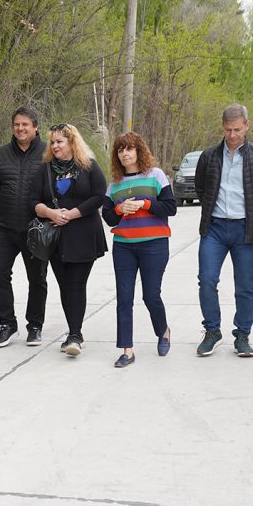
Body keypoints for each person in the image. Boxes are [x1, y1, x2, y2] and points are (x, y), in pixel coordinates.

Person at [194, 105, 253, 358]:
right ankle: (212, 331)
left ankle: (242, 335)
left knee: (245, 286)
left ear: (247, 126)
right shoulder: (209, 156)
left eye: (238, 129)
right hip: (214, 228)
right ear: (222, 127)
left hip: (245, 229)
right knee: (206, 280)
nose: (233, 135)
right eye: (228, 130)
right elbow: (201, 188)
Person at [30, 123, 107, 357]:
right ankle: (75, 332)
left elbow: (99, 196)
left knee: (76, 283)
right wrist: (52, 213)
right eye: (52, 142)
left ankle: (75, 334)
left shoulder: (89, 166)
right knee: (65, 285)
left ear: (72, 143)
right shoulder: (45, 169)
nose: (54, 146)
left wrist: (72, 214)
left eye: (59, 142)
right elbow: (33, 201)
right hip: (56, 238)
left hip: (83, 233)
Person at [101, 132, 176, 368]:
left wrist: (145, 204)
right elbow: (109, 217)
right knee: (124, 299)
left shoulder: (156, 175)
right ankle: (127, 350)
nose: (125, 153)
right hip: (123, 246)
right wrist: (121, 208)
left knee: (150, 295)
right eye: (120, 150)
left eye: (129, 149)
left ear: (139, 150)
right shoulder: (114, 183)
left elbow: (170, 208)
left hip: (154, 244)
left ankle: (163, 331)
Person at [0, 106, 48, 347]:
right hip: (4, 227)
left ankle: (35, 326)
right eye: (17, 125)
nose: (20, 129)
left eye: (25, 125)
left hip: (36, 229)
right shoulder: (1, 154)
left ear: (35, 127)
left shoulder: (47, 153)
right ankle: (7, 325)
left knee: (37, 279)